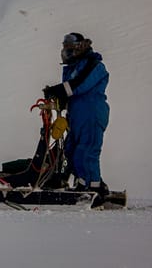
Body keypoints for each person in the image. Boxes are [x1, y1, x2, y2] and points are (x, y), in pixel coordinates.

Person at [42, 32, 110, 206]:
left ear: (79, 48)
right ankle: (81, 183)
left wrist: (59, 90)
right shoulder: (72, 67)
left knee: (87, 150)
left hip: (91, 113)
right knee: (71, 150)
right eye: (65, 48)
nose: (66, 52)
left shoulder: (94, 65)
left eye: (69, 49)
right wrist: (55, 97)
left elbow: (78, 85)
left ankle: (92, 187)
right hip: (77, 116)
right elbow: (69, 92)